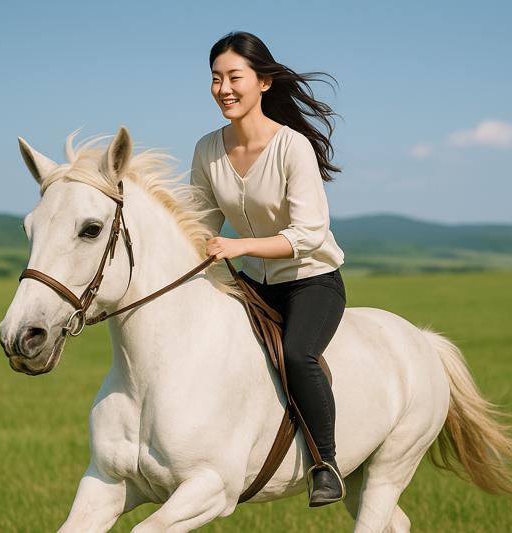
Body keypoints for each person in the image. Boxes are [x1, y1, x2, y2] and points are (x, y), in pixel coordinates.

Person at [189, 31, 348, 507]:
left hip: (311, 282)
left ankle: (327, 464)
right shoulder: (206, 149)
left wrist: (238, 247)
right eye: (215, 79)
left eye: (234, 77)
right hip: (251, 285)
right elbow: (196, 221)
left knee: (297, 355)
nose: (224, 88)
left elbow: (310, 234)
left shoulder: (291, 147)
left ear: (263, 83)